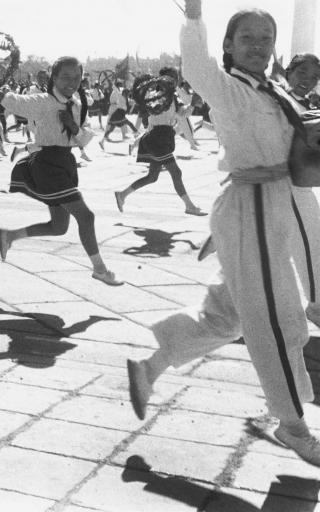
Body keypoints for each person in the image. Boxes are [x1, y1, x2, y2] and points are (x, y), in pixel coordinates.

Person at [128, 0, 320, 467]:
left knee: (226, 317)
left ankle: (149, 368)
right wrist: (194, 16)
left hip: (273, 207)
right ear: (229, 45)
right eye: (247, 38)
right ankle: (293, 426)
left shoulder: (274, 90)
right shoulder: (229, 88)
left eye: (266, 38)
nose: (258, 46)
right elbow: (196, 65)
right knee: (278, 323)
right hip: (252, 207)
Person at [0, 57, 123, 286]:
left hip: (65, 163)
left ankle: (10, 235)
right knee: (86, 216)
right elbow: (18, 103)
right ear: (53, 77)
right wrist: (0, 95)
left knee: (58, 227)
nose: (71, 82)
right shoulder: (45, 101)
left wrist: (73, 125)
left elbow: (84, 138)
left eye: (76, 77)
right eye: (65, 76)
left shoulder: (75, 104)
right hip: (48, 165)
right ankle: (100, 269)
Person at [114, 71, 207, 216]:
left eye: (174, 80)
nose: (174, 82)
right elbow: (156, 111)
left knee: (152, 177)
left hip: (162, 138)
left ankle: (122, 195)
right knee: (176, 172)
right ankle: (189, 206)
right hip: (158, 138)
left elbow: (183, 115)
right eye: (173, 79)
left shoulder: (170, 98)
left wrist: (193, 105)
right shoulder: (154, 97)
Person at [99, 78, 139, 150]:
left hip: (119, 114)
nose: (128, 95)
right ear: (124, 93)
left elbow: (132, 102)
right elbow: (114, 88)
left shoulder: (126, 98)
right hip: (118, 114)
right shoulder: (120, 95)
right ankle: (137, 133)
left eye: (128, 94)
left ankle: (102, 141)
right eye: (127, 93)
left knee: (111, 129)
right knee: (129, 123)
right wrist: (114, 80)